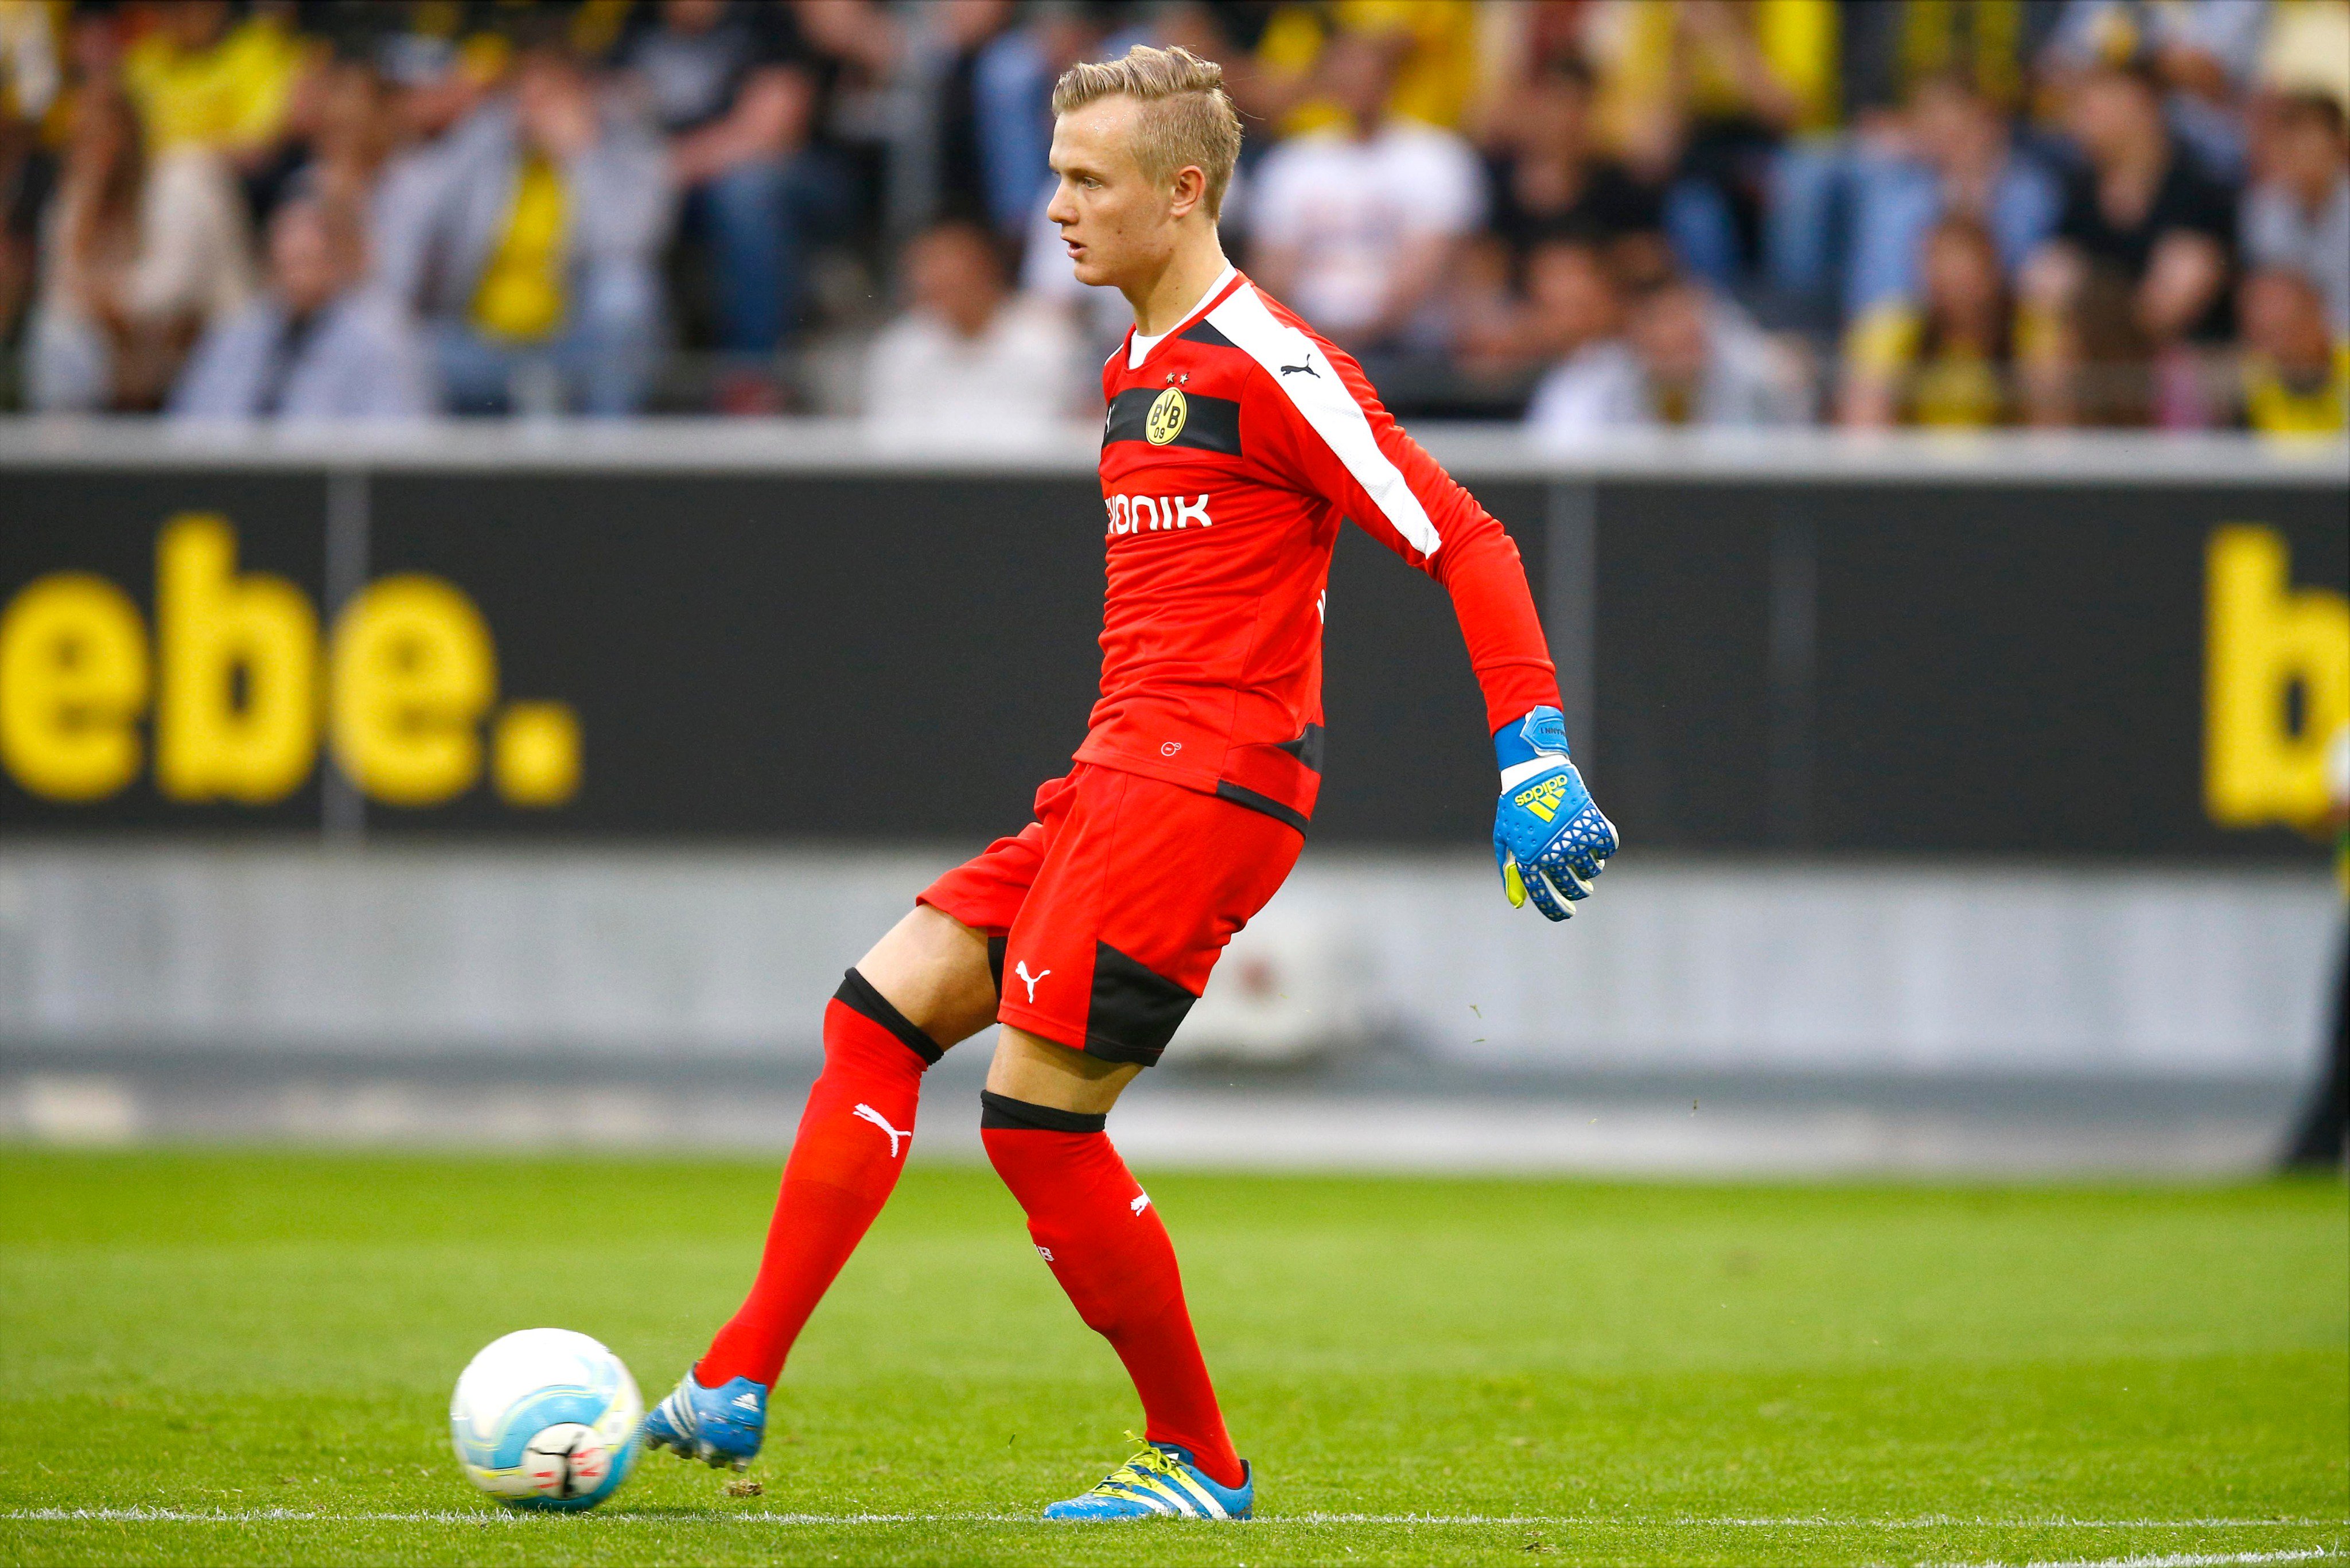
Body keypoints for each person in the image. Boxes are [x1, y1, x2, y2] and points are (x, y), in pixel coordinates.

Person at [640, 42, 1616, 1523]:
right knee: (878, 1012)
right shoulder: (1138, 367)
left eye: (1088, 180)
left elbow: (1465, 535)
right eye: (1054, 174)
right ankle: (737, 1376)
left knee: (1036, 1123)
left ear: (1183, 190)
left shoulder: (1270, 361)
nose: (1056, 208)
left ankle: (1199, 1460)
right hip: (1112, 775)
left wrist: (1532, 750)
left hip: (1208, 787)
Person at [373, 30, 669, 415]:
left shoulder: (627, 149)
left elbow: (625, 243)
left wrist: (580, 157)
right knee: (387, 335)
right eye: (525, 96)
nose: (535, 110)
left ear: (584, 97)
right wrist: (474, 127)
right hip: (483, 346)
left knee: (624, 292)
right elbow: (413, 207)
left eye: (551, 97)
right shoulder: (488, 145)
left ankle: (607, 459)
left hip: (572, 347)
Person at [622, 0, 839, 411]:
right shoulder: (634, 21)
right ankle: (614, 380)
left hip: (794, 180)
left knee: (746, 190)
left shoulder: (766, 16)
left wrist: (660, 168)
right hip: (665, 188)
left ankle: (752, 377)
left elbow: (771, 132)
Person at [1245, 27, 1483, 360]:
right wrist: (1309, 341)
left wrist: (1349, 344)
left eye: (1367, 70)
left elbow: (1421, 278)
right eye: (1345, 71)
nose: (1357, 82)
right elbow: (1273, 273)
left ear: (1390, 77)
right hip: (1303, 345)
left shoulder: (1438, 158)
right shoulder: (1291, 164)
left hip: (1407, 350)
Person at [168, 195, 430, 421]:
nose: (299, 273)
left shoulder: (382, 338)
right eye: (291, 259)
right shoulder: (237, 330)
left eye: (311, 258)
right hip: (231, 476)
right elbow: (187, 429)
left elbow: (398, 448)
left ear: (344, 256)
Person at [862, 217, 1077, 435]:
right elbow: (888, 439)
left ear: (987, 267)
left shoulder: (1048, 338)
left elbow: (1067, 433)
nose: (938, 279)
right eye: (928, 268)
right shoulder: (899, 351)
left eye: (952, 270)